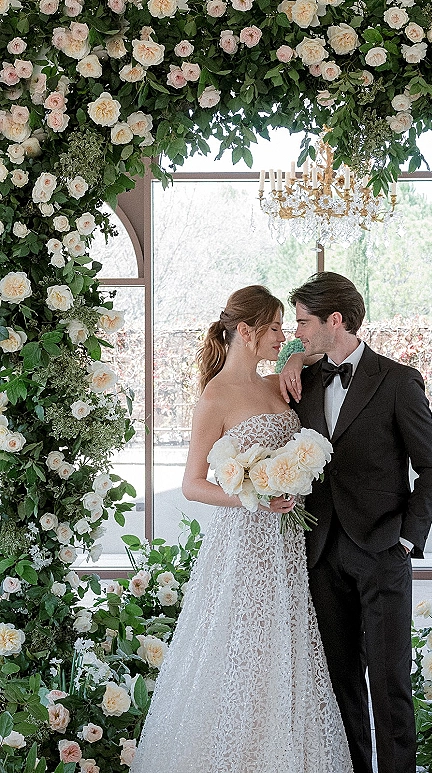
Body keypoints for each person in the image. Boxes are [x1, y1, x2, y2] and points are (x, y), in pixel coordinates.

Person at [131, 285, 353, 773]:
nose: (284, 336)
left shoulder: (278, 382)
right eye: (275, 328)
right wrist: (252, 496)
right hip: (245, 544)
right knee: (245, 654)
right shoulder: (215, 396)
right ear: (247, 331)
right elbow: (192, 484)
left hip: (290, 542)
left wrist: (292, 358)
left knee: (285, 652)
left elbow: (309, 347)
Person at [279, 272, 432, 773]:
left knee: (390, 686)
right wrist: (292, 356)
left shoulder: (397, 381)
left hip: (381, 552)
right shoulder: (303, 380)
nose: (297, 332)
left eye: (303, 322)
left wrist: (406, 540)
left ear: (336, 320)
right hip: (322, 551)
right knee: (340, 685)